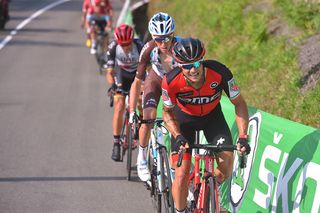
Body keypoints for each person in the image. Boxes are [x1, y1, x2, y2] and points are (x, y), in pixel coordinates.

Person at [161, 37, 251, 213]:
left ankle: (206, 187)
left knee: (226, 166)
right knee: (181, 175)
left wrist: (243, 137)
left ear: (203, 60)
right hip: (184, 122)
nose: (193, 69)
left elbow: (239, 103)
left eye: (197, 63)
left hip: (213, 119)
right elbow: (167, 111)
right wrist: (177, 136)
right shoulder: (170, 81)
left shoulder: (220, 72)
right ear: (179, 65)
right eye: (186, 66)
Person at [128, 12, 181, 181]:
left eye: (167, 38)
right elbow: (137, 82)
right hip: (156, 79)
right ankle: (142, 157)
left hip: (176, 83)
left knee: (178, 120)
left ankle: (175, 163)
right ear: (153, 37)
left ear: (173, 34)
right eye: (158, 39)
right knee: (148, 116)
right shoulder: (149, 49)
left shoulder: (181, 47)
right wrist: (131, 112)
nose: (163, 43)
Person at [104, 24, 144, 161]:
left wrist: (144, 87)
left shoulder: (139, 46)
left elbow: (148, 69)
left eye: (128, 44)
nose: (126, 47)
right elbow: (109, 73)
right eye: (123, 44)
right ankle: (116, 143)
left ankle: (140, 126)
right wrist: (113, 86)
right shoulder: (113, 47)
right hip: (121, 75)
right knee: (119, 105)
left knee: (141, 101)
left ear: (132, 40)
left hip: (137, 75)